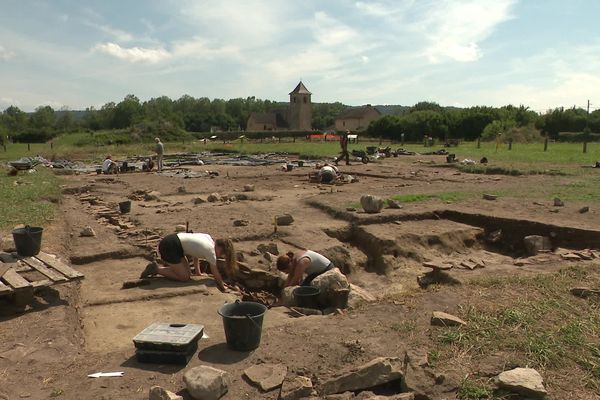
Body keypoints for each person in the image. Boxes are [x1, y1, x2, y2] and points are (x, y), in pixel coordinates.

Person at [141, 233, 237, 292]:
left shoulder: (207, 238)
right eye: (222, 253)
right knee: (184, 277)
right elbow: (215, 272)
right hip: (169, 247)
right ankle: (156, 269)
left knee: (188, 274)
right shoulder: (211, 250)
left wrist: (198, 273)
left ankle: (165, 269)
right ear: (219, 247)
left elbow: (196, 255)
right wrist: (223, 287)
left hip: (174, 242)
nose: (220, 255)